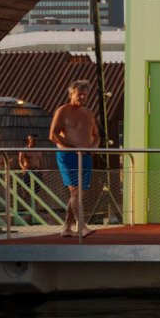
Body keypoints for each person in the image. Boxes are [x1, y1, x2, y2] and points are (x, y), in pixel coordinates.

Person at [49, 80, 99, 241]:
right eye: (79, 94)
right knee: (75, 191)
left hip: (85, 156)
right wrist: (74, 147)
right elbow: (53, 135)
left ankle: (67, 227)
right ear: (71, 94)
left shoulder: (88, 112)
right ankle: (81, 226)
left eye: (85, 95)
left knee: (80, 192)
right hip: (68, 156)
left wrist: (93, 148)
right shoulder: (63, 111)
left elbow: (97, 135)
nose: (82, 97)